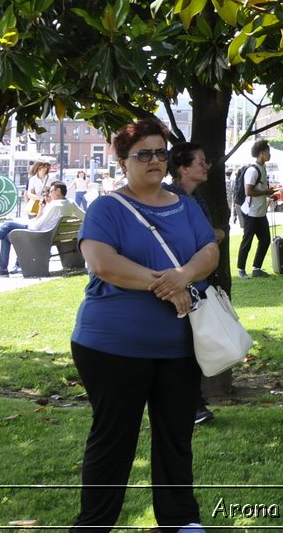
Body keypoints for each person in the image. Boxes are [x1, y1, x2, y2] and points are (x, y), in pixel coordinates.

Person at [71, 116, 216, 533]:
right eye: (144, 154)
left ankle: (181, 521)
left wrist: (183, 276)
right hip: (112, 346)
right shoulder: (107, 208)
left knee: (175, 437)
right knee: (113, 442)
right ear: (123, 161)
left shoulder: (185, 205)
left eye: (160, 152)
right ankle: (94, 526)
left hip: (178, 346)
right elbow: (102, 262)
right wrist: (167, 285)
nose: (155, 160)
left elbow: (209, 252)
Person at [166, 142, 223, 428]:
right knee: (185, 347)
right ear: (183, 168)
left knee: (192, 345)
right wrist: (215, 234)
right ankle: (193, 405)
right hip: (180, 284)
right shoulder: (172, 199)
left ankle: (194, 403)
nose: (206, 165)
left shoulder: (192, 197)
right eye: (200, 161)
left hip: (194, 282)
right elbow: (192, 240)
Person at [0, 181, 71, 276]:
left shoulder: (54, 206)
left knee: (7, 224)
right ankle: (1, 268)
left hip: (37, 234)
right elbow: (40, 221)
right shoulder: (58, 205)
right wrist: (40, 209)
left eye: (49, 193)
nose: (46, 196)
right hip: (41, 232)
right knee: (6, 236)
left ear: (56, 192)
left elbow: (38, 225)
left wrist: (29, 225)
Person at [236, 139, 273, 278]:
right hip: (250, 213)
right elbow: (248, 191)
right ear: (262, 153)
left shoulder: (263, 168)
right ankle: (241, 270)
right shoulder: (253, 170)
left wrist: (268, 194)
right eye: (268, 152)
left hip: (260, 212)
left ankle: (256, 269)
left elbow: (260, 188)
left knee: (265, 240)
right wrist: (266, 193)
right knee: (247, 241)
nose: (270, 154)